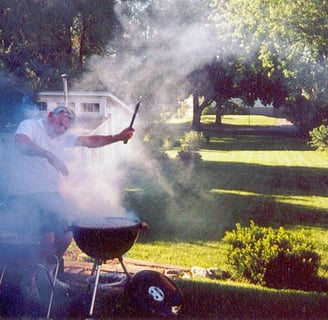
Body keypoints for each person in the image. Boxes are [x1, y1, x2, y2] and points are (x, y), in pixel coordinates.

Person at [5, 106, 134, 304]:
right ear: (50, 117)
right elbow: (20, 143)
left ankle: (47, 273)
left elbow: (90, 141)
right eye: (60, 124)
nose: (62, 130)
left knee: (65, 235)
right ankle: (28, 279)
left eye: (66, 127)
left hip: (49, 193)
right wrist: (48, 154)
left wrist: (118, 136)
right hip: (24, 193)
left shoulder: (64, 136)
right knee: (46, 237)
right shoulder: (30, 126)